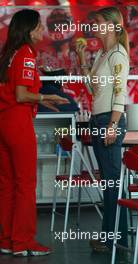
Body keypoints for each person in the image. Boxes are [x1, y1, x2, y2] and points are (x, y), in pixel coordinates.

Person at [0, 9, 69, 257]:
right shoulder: (27, 54)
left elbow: (12, 92)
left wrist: (42, 101)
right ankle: (23, 242)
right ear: (29, 30)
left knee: (8, 185)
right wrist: (43, 95)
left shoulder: (9, 53)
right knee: (26, 184)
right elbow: (21, 94)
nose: (42, 30)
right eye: (39, 26)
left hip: (4, 122)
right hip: (18, 123)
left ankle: (7, 240)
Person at [76, 7, 129, 253]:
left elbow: (120, 92)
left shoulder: (118, 55)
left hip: (109, 120)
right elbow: (93, 90)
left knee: (111, 184)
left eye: (96, 22)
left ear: (112, 25)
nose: (93, 26)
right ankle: (114, 239)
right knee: (109, 183)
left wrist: (113, 125)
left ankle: (114, 240)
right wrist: (82, 59)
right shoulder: (102, 54)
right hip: (101, 119)